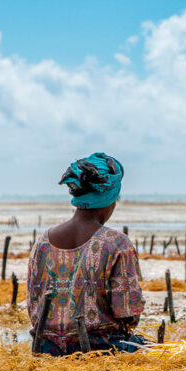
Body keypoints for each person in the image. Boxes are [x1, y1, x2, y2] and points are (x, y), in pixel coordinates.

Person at [27, 152, 144, 355]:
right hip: (102, 349)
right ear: (111, 198)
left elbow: (33, 307)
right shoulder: (117, 244)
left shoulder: (42, 243)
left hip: (46, 348)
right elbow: (128, 314)